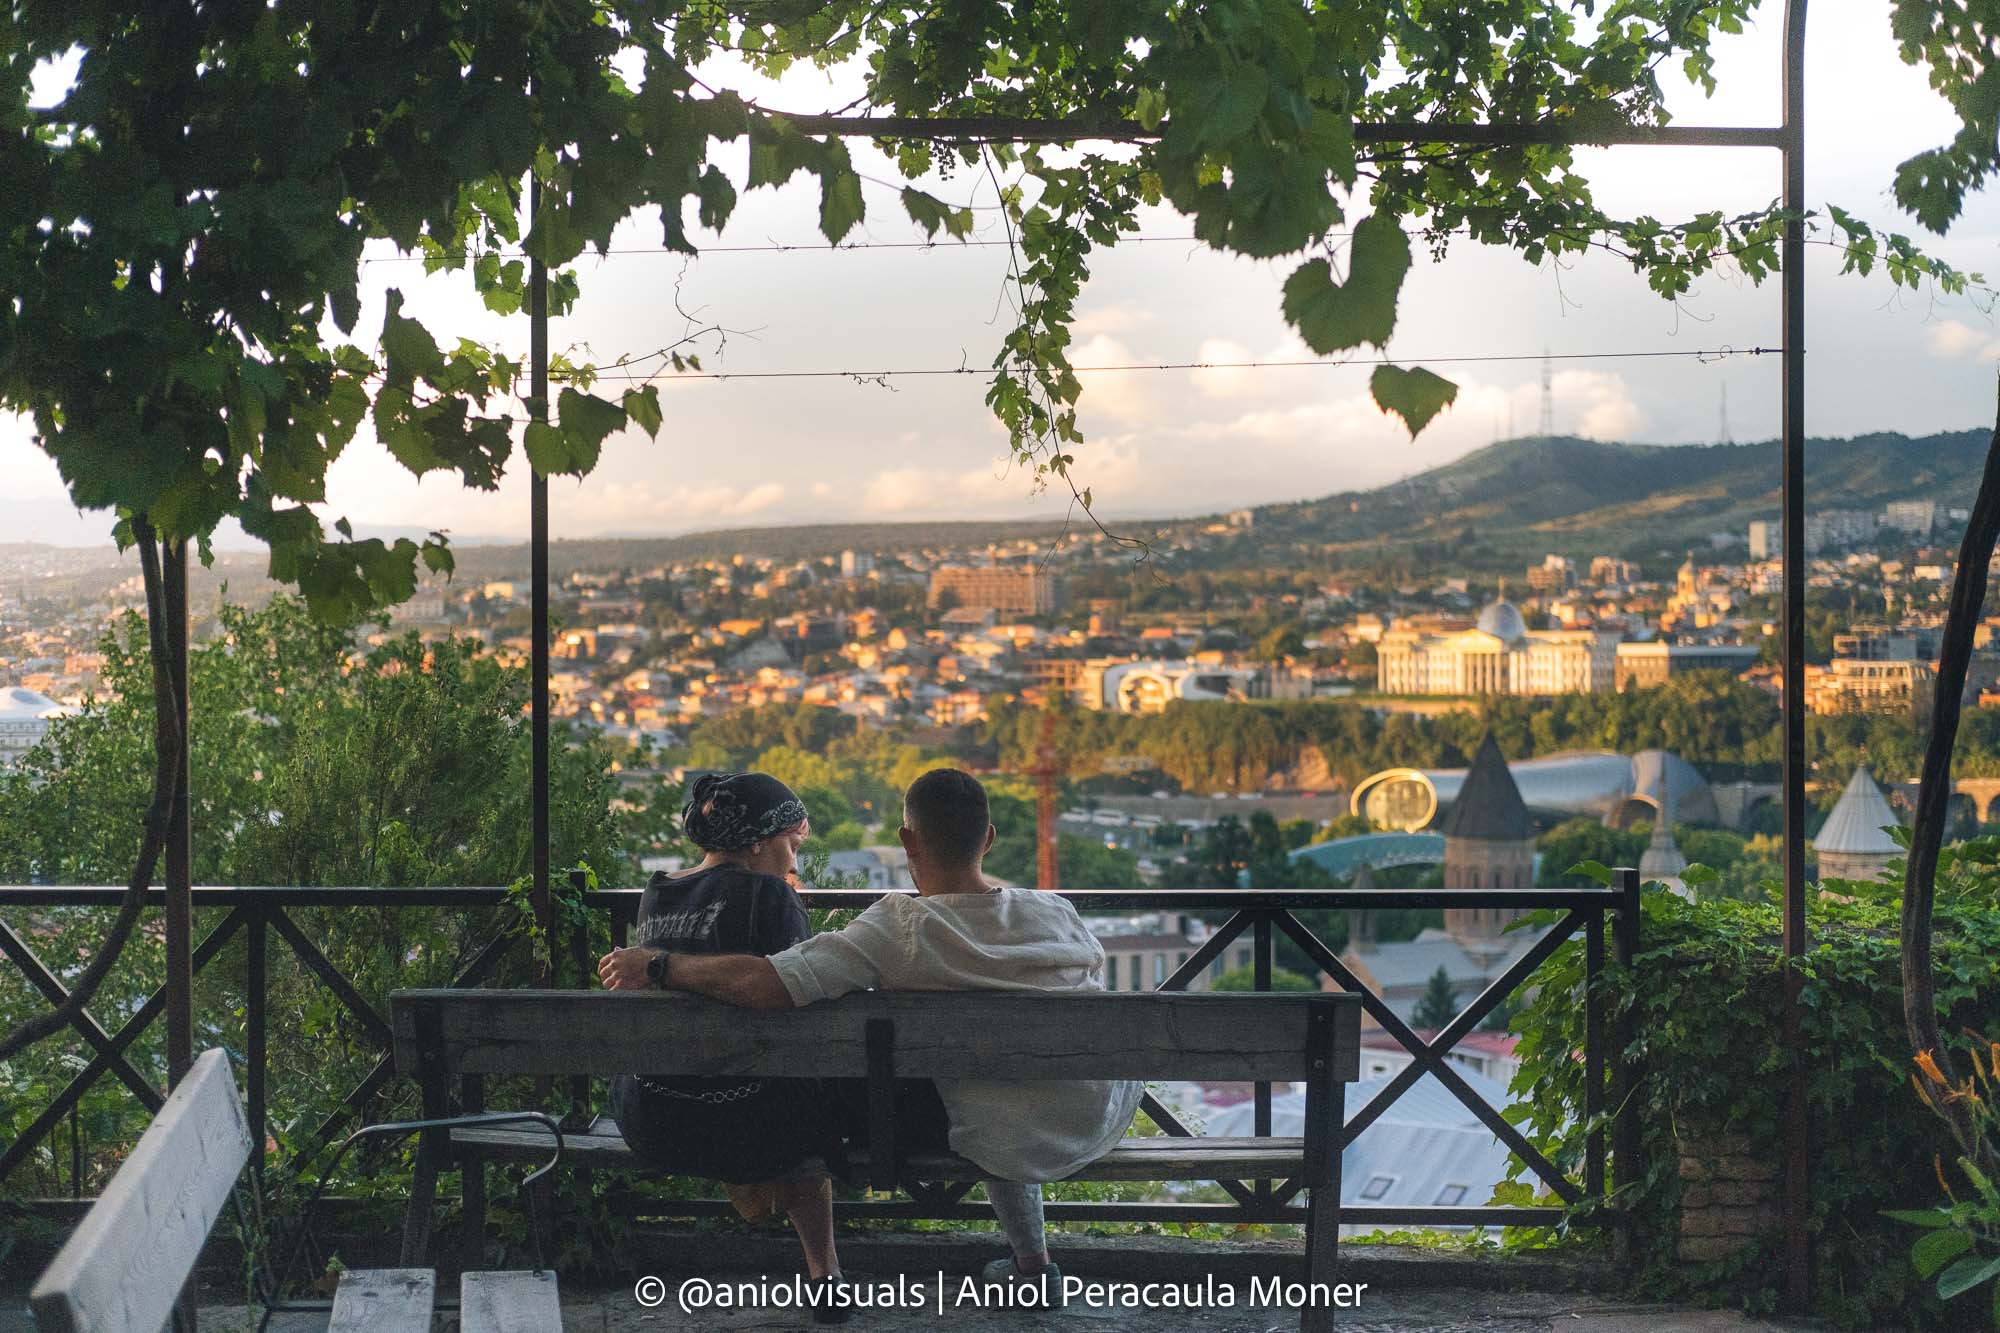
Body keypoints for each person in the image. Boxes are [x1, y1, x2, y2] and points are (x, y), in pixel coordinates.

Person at [599, 767, 1143, 1303]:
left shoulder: (898, 929)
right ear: (990, 840)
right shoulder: (1056, 911)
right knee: (998, 1085)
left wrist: (659, 966)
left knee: (987, 1097)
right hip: (1093, 1114)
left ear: (907, 840)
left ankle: (841, 1272)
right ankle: (1034, 1268)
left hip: (996, 1127)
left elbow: (770, 983)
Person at [598, 771, 854, 1323]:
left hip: (651, 1118)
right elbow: (793, 1000)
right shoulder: (771, 896)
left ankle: (756, 1194)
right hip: (748, 1122)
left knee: (757, 1084)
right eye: (792, 843)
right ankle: (825, 1275)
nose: (794, 862)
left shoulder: (656, 893)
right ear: (760, 842)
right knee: (804, 1097)